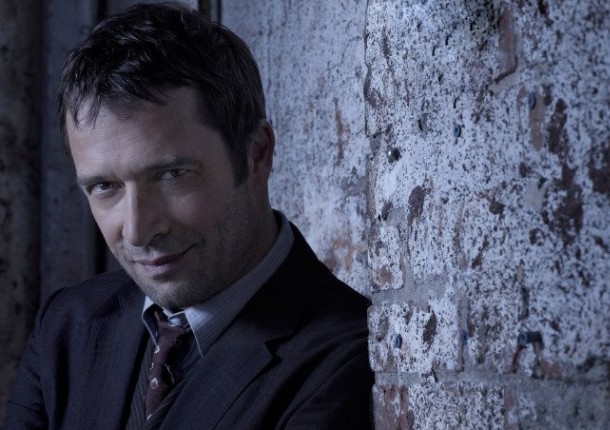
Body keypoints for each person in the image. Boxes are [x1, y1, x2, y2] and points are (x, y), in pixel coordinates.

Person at [4, 2, 373, 429]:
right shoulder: (66, 327)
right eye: (104, 187)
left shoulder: (347, 355)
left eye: (171, 174)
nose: (138, 230)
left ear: (256, 155)